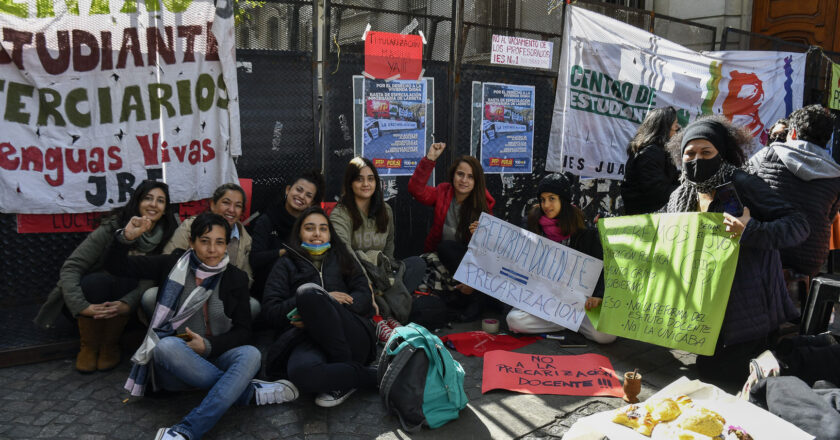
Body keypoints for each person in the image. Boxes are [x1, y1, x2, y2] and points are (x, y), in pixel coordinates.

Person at [106, 213, 297, 440]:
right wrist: (126, 237)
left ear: (227, 244)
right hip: (178, 361)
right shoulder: (172, 264)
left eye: (219, 242)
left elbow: (244, 332)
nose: (212, 249)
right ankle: (242, 391)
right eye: (205, 241)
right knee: (164, 347)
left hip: (216, 352)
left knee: (251, 354)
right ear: (192, 242)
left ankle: (186, 430)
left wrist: (207, 345)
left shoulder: (235, 277)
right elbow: (116, 266)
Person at [664, 116, 810, 380]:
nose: (697, 159)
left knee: (732, 380)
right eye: (690, 153)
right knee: (710, 371)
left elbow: (798, 225)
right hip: (709, 308)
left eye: (706, 152)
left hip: (749, 309)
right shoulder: (681, 193)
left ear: (722, 153)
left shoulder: (743, 184)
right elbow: (663, 222)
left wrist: (751, 231)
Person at [35, 180, 177, 373]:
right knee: (97, 281)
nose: (153, 204)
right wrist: (82, 307)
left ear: (165, 208)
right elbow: (72, 267)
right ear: (137, 202)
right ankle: (89, 347)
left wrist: (127, 303)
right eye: (148, 198)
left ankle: (110, 345)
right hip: (89, 301)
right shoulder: (114, 227)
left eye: (160, 201)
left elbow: (150, 280)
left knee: (128, 279)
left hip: (128, 309)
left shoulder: (168, 235)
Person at [261, 207, 376, 408]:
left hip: (351, 334)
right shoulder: (285, 264)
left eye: (323, 228)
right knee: (302, 374)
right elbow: (270, 311)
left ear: (330, 233)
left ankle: (343, 370)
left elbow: (364, 297)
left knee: (310, 294)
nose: (317, 234)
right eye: (309, 228)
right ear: (299, 233)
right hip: (305, 338)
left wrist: (327, 308)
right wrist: (310, 310)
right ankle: (366, 377)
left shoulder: (343, 257)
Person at [506, 174, 616, 344]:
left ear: (563, 200)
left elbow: (600, 266)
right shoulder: (531, 224)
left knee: (606, 335)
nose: (546, 205)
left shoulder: (583, 231)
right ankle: (562, 321)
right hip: (543, 298)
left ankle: (562, 321)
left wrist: (598, 295)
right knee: (514, 320)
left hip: (576, 303)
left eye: (552, 199)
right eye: (542, 200)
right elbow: (511, 248)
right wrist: (482, 234)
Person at [330, 157, 426, 337]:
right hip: (355, 275)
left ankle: (382, 310)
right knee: (352, 271)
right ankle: (384, 316)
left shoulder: (385, 210)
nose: (366, 183)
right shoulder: (340, 213)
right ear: (350, 183)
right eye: (359, 179)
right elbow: (346, 253)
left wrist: (388, 277)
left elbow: (389, 249)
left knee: (417, 264)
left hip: (380, 273)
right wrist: (366, 284)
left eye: (371, 178)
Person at [748, 105, 840, 278]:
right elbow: (830, 218)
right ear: (826, 141)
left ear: (793, 133)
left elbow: (741, 191)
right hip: (810, 260)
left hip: (765, 249)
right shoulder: (836, 176)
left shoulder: (767, 155)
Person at [408, 142, 495, 321]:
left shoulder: (483, 205)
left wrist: (481, 234)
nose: (464, 180)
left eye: (470, 177)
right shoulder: (442, 192)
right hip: (442, 261)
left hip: (472, 266)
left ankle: (477, 297)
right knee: (434, 257)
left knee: (447, 247)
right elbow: (416, 190)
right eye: (460, 174)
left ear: (476, 181)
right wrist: (430, 159)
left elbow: (487, 253)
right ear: (453, 175)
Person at [249, 170, 325, 300]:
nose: (301, 196)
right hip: (267, 289)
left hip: (302, 289)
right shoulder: (267, 220)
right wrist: (285, 252)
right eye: (299, 190)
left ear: (312, 203)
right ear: (288, 190)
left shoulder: (312, 227)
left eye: (308, 195)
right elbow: (255, 259)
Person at [164, 183, 253, 286]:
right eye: (226, 203)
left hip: (225, 293)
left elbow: (247, 278)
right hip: (185, 286)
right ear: (213, 205)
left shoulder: (245, 238)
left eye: (238, 205)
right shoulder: (190, 227)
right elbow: (169, 260)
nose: (232, 210)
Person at [621, 106, 681, 215]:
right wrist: (685, 190)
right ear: (664, 128)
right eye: (675, 125)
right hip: (645, 219)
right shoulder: (650, 153)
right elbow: (657, 192)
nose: (678, 129)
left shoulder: (658, 151)